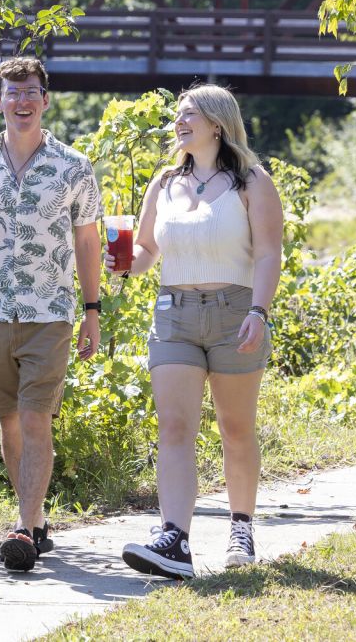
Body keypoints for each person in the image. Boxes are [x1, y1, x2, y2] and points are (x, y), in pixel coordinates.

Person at [112, 84, 283, 580]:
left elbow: (270, 252)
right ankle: (175, 539)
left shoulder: (251, 182)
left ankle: (241, 527)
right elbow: (145, 253)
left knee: (235, 428)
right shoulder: (163, 183)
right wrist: (122, 263)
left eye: (189, 115)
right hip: (174, 312)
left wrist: (259, 309)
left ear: (217, 123)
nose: (179, 122)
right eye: (177, 115)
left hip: (236, 311)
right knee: (174, 427)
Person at [0, 57, 103, 573]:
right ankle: (34, 522)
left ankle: (24, 527)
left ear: (45, 100)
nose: (23, 100)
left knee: (35, 418)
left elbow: (87, 240)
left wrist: (93, 311)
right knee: (8, 422)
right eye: (13, 92)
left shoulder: (73, 166)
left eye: (31, 91)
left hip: (49, 312)